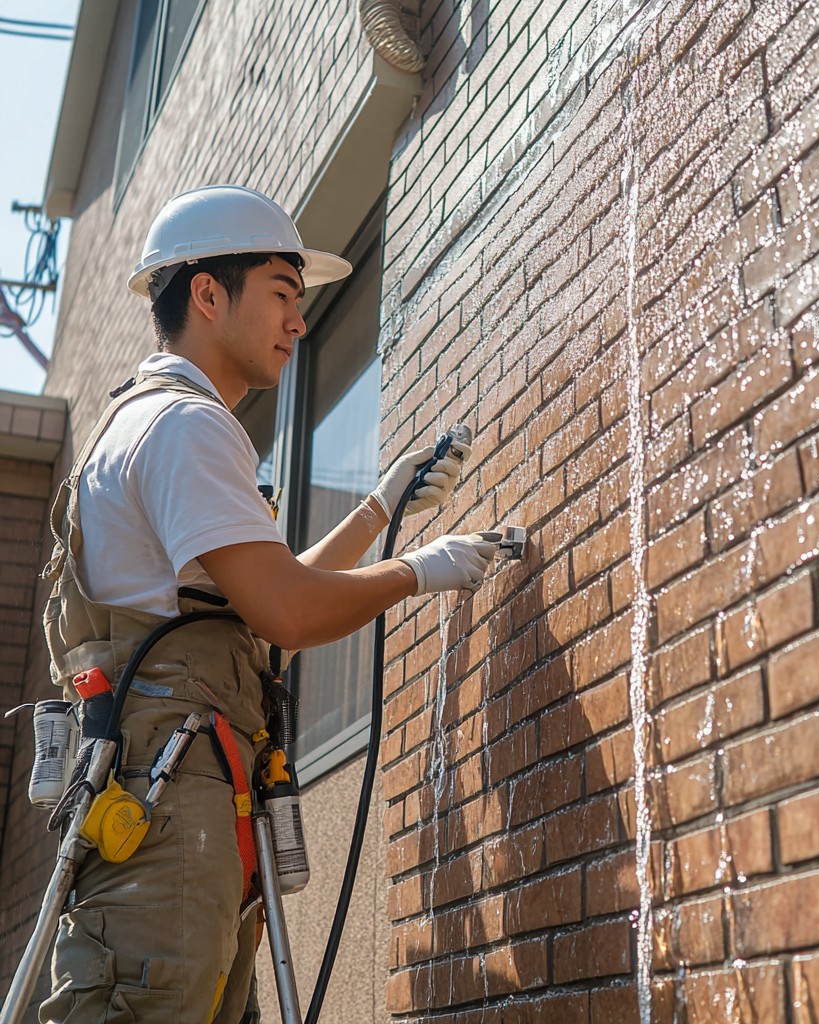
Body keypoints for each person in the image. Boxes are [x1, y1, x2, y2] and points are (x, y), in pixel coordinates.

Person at [40, 184, 497, 1023]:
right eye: (283, 294)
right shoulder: (185, 426)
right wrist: (416, 572)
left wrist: (377, 512)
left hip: (168, 796)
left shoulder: (143, 421)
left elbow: (257, 599)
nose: (299, 323)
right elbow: (287, 611)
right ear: (208, 295)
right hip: (174, 810)